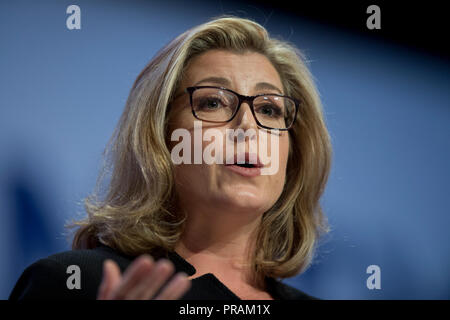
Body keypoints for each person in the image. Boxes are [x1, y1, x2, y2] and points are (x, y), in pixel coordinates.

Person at [9, 16, 332, 300]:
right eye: (213, 103)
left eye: (268, 109)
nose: (247, 125)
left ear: (294, 154)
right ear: (161, 137)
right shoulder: (73, 283)